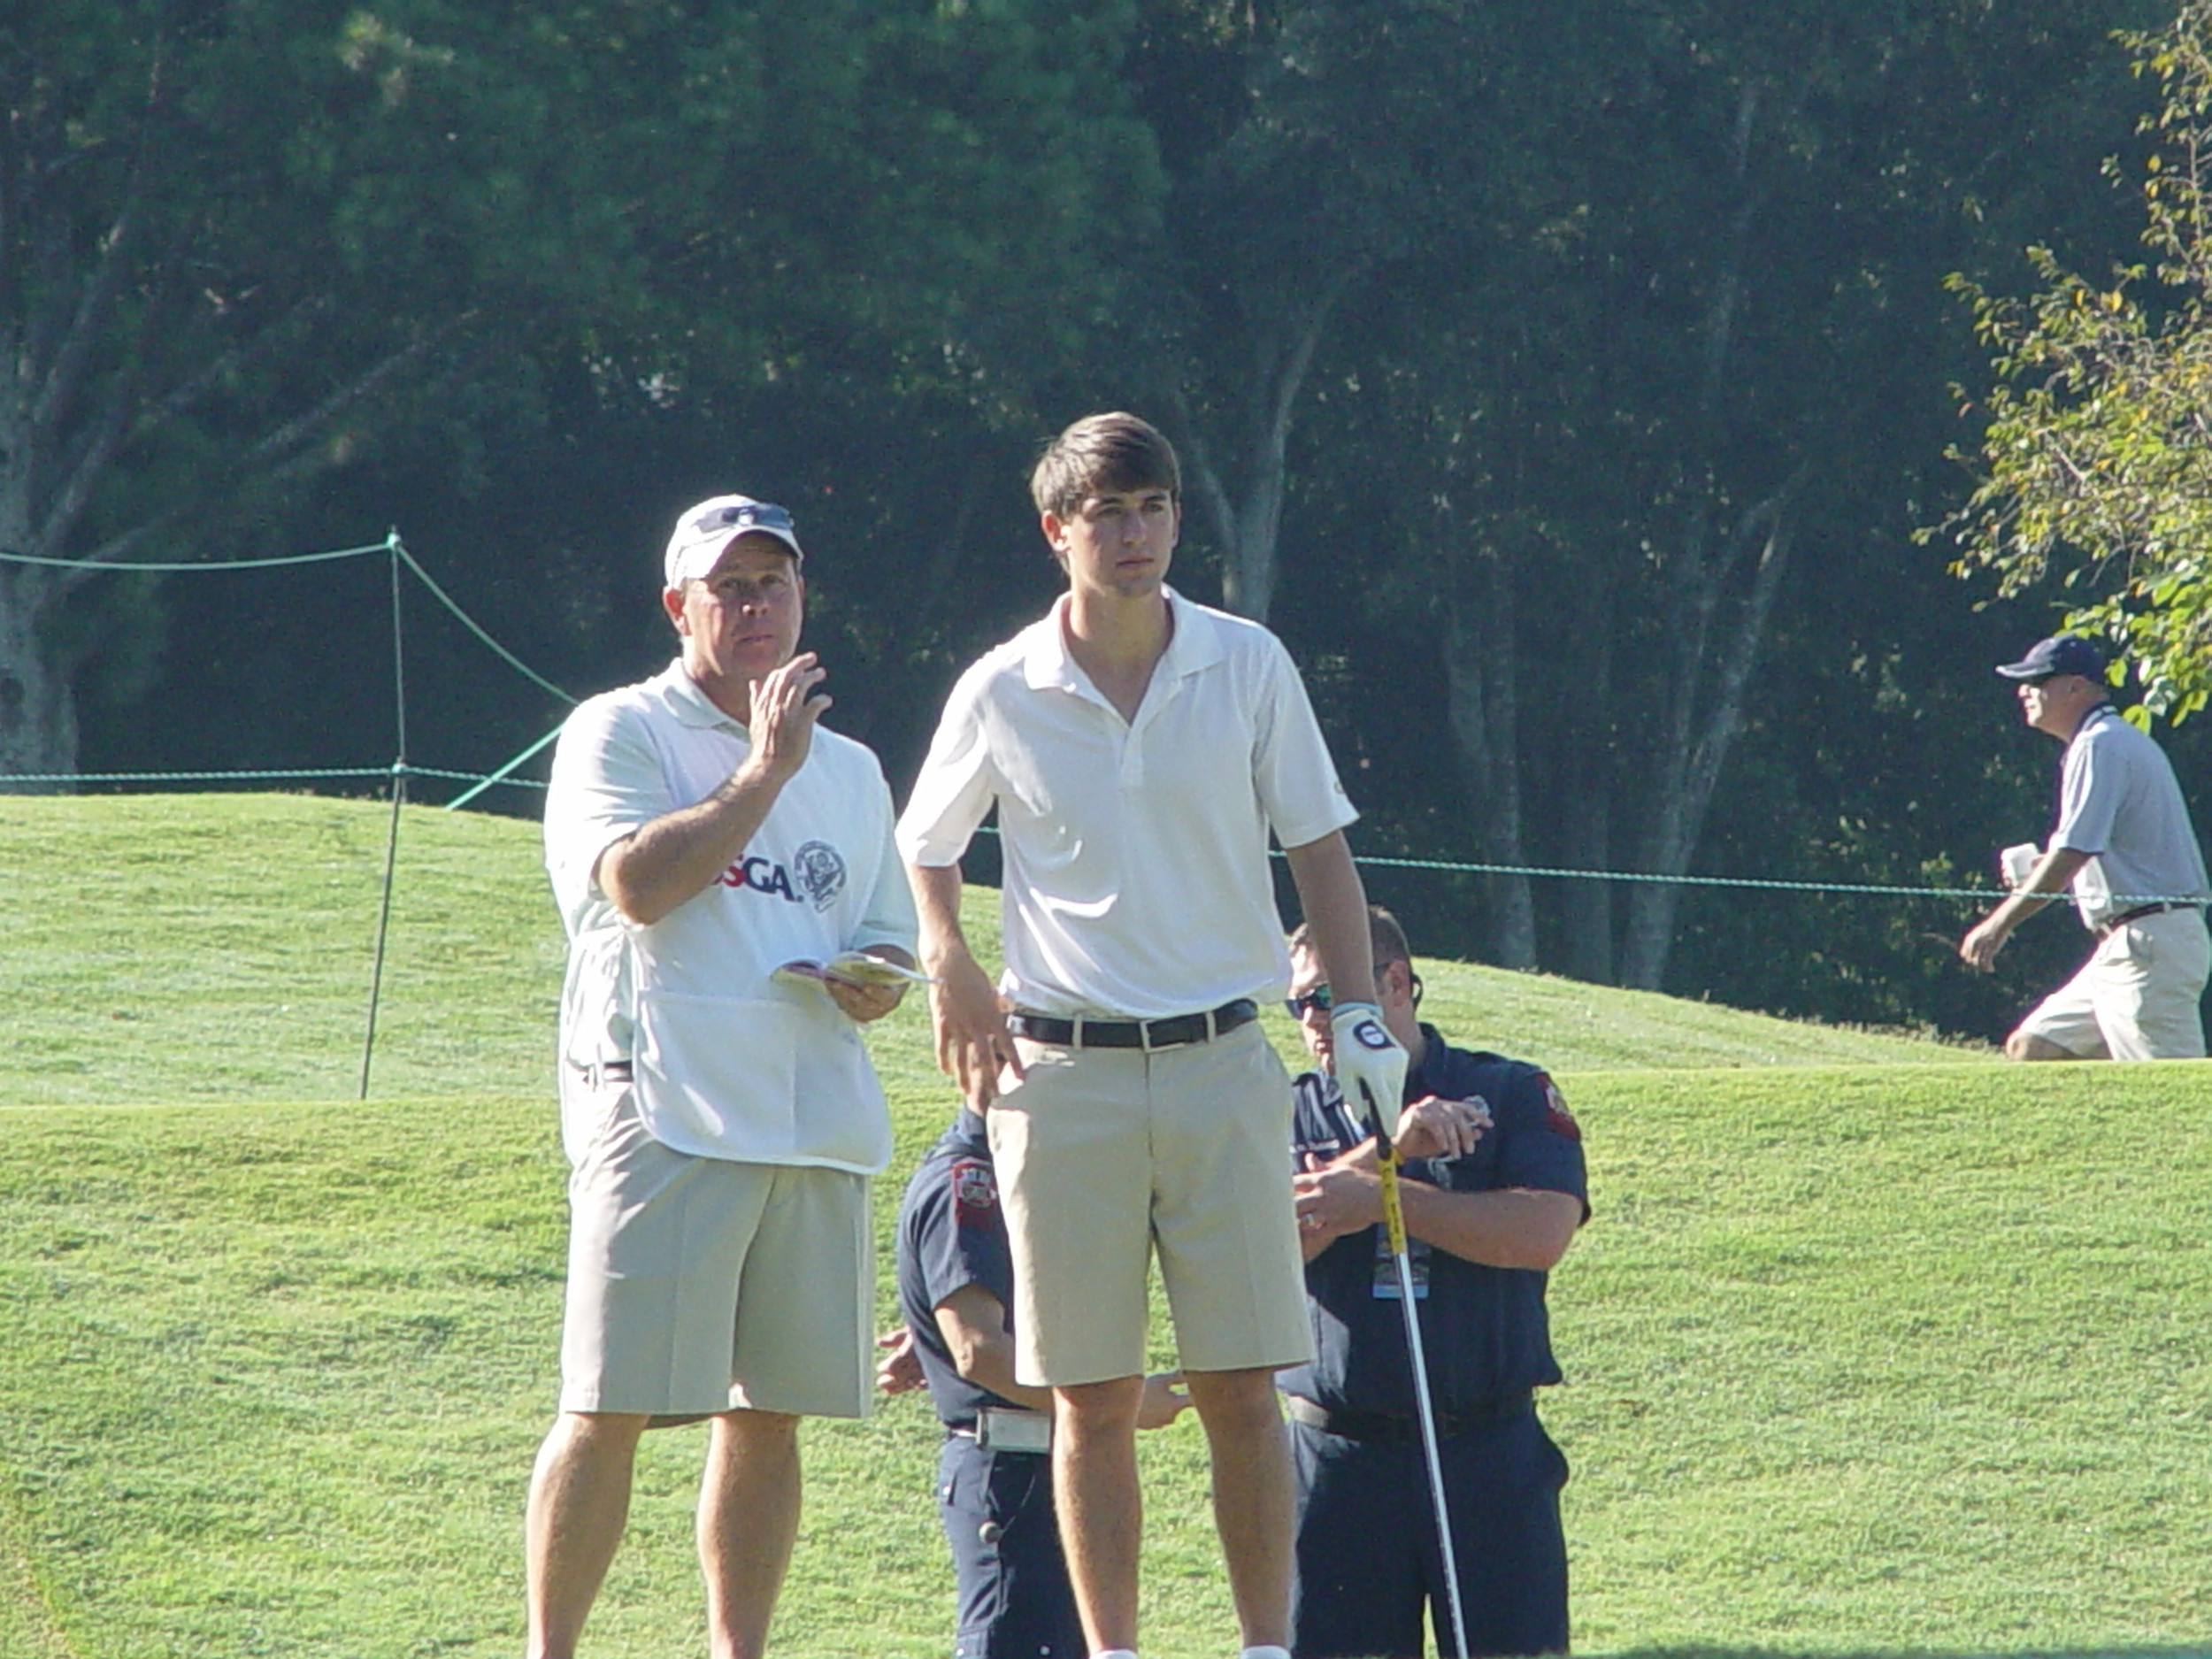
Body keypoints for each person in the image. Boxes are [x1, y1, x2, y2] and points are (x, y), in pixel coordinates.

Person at [896, 411, 1408, 1659]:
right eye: (1108, 513)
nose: (1135, 534)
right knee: (1094, 1396)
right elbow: (926, 844)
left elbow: (1320, 848)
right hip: (1057, 1071)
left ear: (1178, 517)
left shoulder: (1245, 661)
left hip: (1226, 1060)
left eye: (1154, 508)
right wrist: (949, 961)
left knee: (1242, 1382)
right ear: (1056, 528)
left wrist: (1352, 1012)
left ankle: (1262, 1645)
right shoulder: (1002, 682)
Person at [528, 494, 919, 1659]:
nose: (756, 606)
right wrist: (760, 768)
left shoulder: (848, 766)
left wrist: (879, 978)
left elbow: (887, 930)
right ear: (678, 604)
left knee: (770, 1413)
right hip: (663, 1100)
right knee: (608, 1403)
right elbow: (638, 885)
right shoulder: (620, 729)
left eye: (775, 583)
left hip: (807, 1109)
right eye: (730, 586)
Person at [1282, 906, 1587, 1659]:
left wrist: (1391, 1198)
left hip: (1484, 1452)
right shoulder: (1284, 1108)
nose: (1310, 1021)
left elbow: (1543, 1232)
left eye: (1324, 998)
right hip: (1339, 1462)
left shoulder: (1508, 1091)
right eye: (1296, 1005)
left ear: (1393, 985)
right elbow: (1256, 1248)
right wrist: (1388, 1154)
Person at [881, 1109, 1190, 1659]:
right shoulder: (971, 1182)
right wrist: (1125, 1407)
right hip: (1012, 1467)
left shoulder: (1018, 1168)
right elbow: (979, 1350)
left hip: (1045, 1460)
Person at [1959, 634, 2211, 1060]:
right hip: (2129, 943)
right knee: (2034, 1047)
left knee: (2177, 1095)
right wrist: (2040, 867)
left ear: (2076, 687)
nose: (2025, 691)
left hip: (2148, 944)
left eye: (2038, 681)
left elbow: (2075, 850)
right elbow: (2105, 852)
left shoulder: (2101, 744)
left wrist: (1998, 923)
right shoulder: (2106, 741)